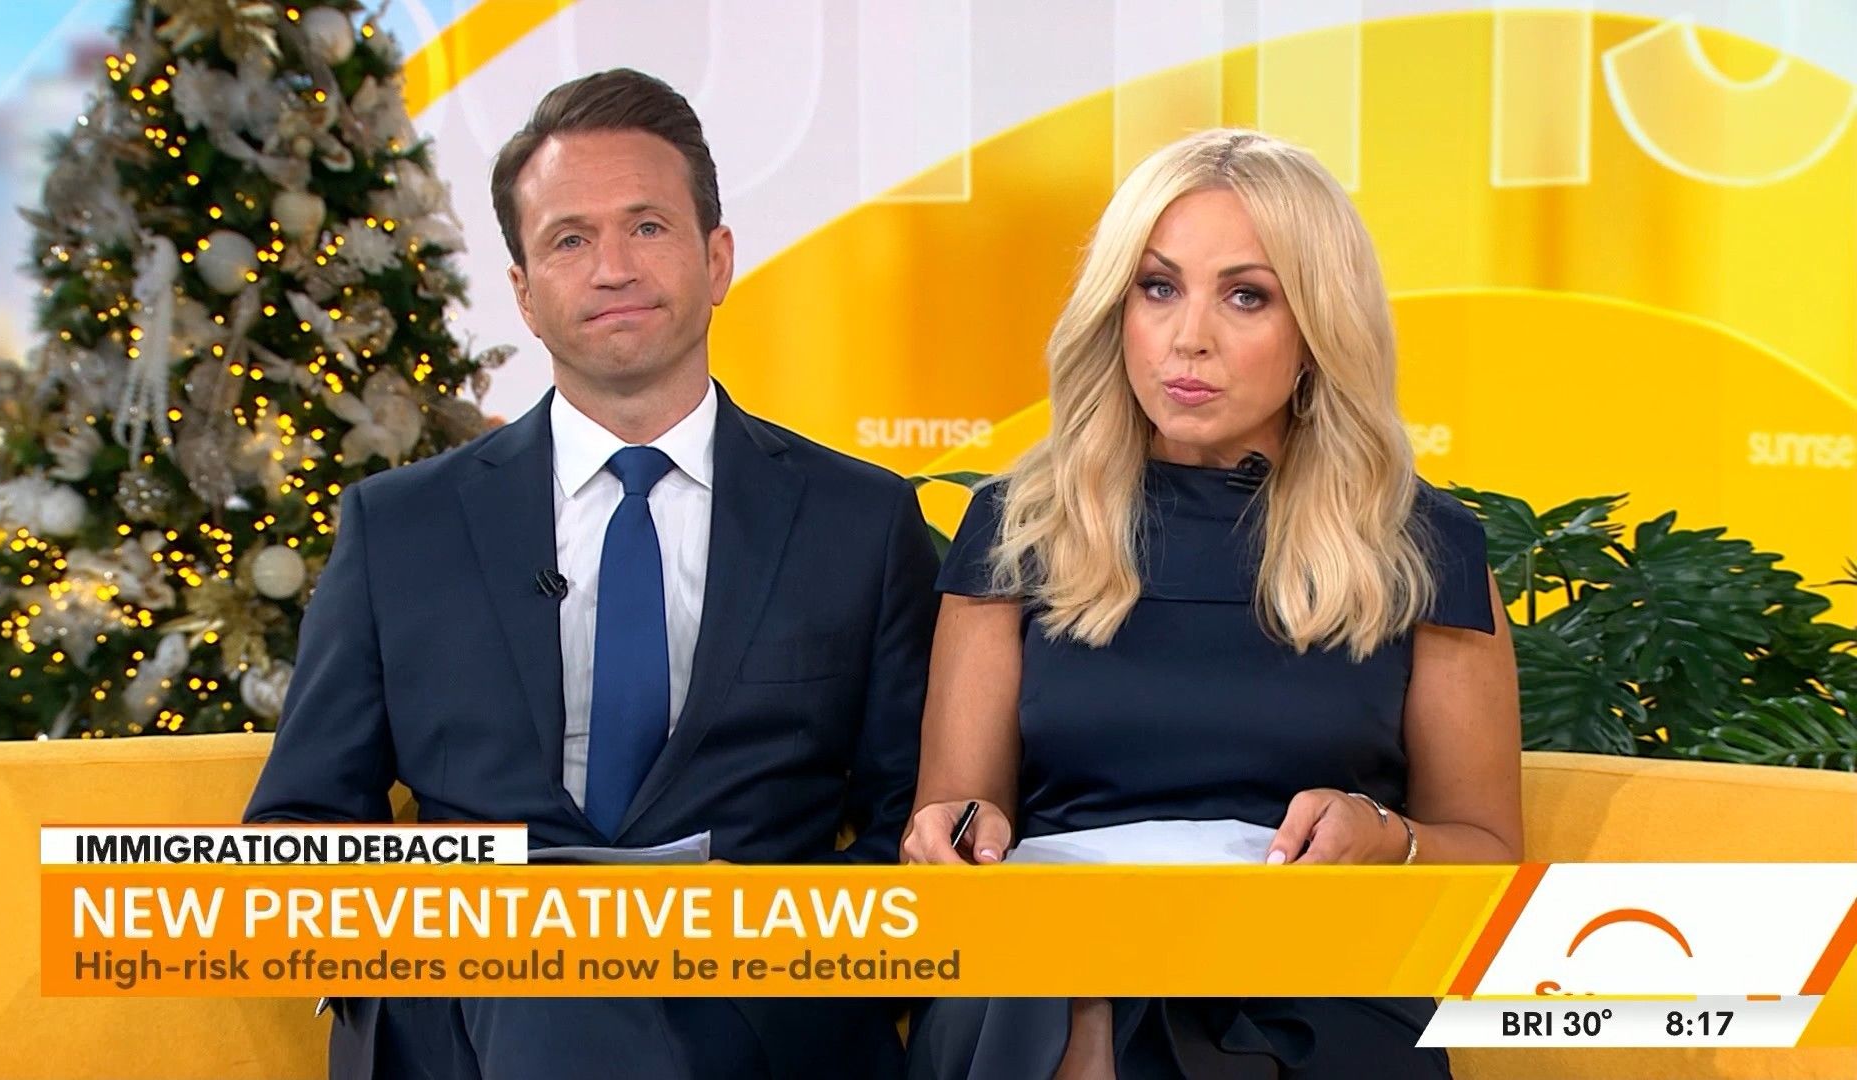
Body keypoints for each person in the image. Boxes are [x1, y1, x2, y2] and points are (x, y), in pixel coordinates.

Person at [245, 68, 937, 1080]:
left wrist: (774, 953)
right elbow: (300, 828)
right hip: (474, 1023)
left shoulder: (859, 521)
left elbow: (914, 821)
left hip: (758, 1018)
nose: (613, 268)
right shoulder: (400, 529)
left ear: (717, 259)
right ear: (524, 295)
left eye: (647, 227)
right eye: (570, 240)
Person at [901, 129, 1521, 1080]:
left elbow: (1486, 856)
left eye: (1246, 296)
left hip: (1311, 970)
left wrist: (1387, 839)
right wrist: (955, 836)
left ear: (1317, 327)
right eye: (1158, 287)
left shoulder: (1418, 545)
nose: (1189, 337)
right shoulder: (1018, 525)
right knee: (1063, 1009)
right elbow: (955, 819)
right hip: (1052, 959)